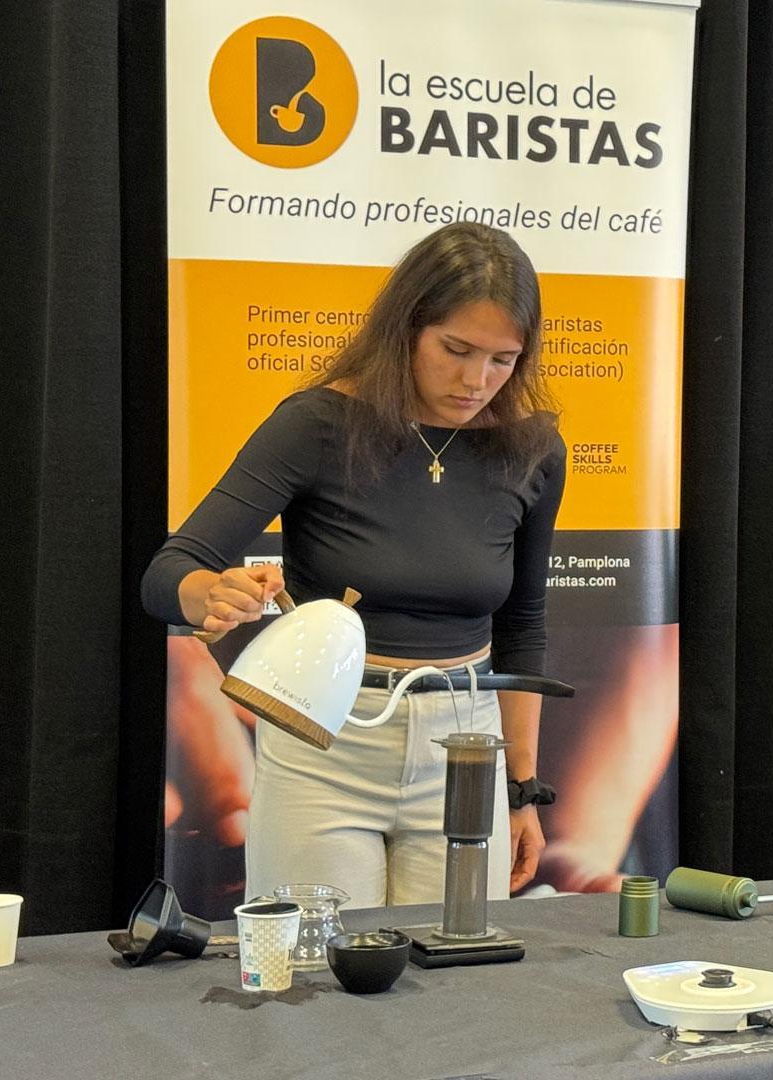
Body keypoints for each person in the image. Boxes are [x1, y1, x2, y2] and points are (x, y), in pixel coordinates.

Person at [142, 221, 568, 908]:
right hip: (325, 746)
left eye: (502, 359)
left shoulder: (533, 451)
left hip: (463, 746)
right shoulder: (319, 424)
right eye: (456, 349)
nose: (475, 380)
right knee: (317, 981)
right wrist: (208, 594)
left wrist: (522, 791)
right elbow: (171, 571)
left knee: (453, 990)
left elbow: (525, 627)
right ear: (406, 330)